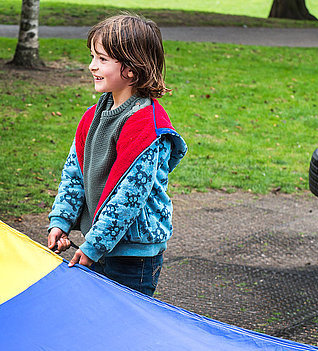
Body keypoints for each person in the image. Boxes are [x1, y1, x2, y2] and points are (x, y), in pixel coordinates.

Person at [46, 13, 187, 297]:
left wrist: (94, 246)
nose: (91, 66)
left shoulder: (148, 128)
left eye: (102, 59)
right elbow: (75, 174)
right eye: (92, 57)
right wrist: (61, 220)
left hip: (133, 258)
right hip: (97, 245)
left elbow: (128, 199)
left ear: (132, 69)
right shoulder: (93, 117)